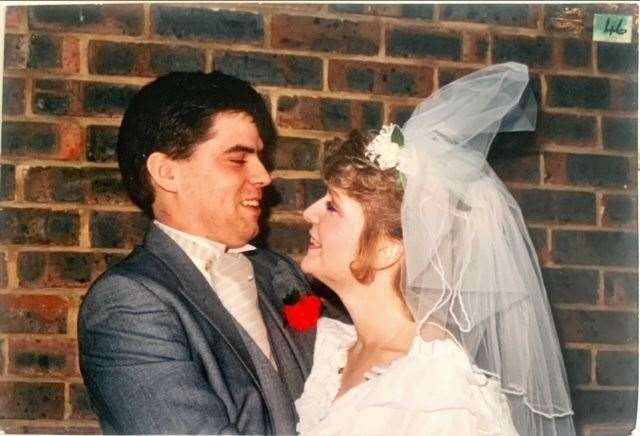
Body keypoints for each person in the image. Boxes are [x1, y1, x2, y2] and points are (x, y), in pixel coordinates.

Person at [295, 63, 575, 435]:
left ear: (387, 249)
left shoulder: (442, 389)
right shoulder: (331, 350)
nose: (307, 213)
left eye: (331, 205)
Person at [78, 71, 322, 434]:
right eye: (238, 160)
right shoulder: (125, 304)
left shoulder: (282, 273)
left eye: (259, 158)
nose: (264, 176)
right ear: (167, 173)